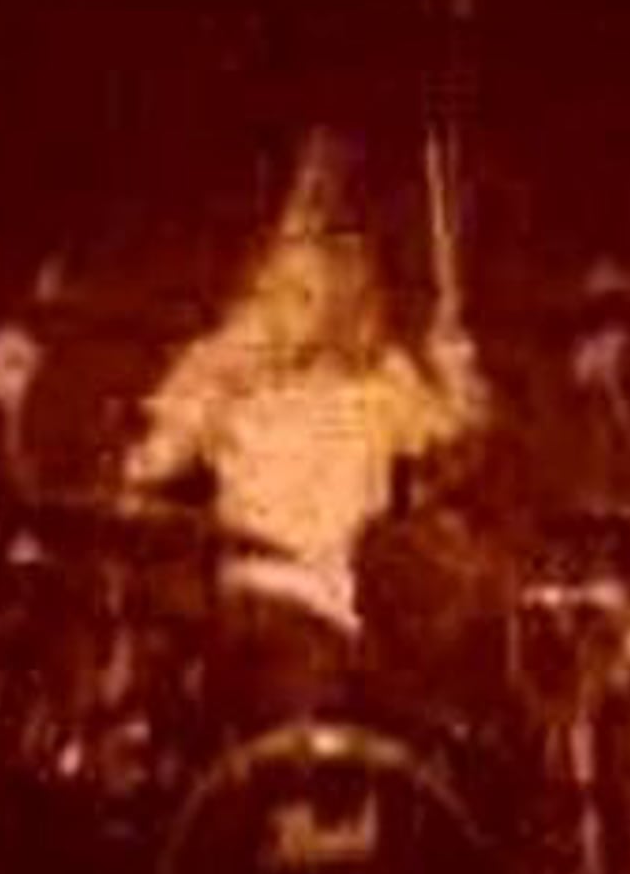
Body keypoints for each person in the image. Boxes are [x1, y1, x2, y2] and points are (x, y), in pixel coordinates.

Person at [122, 130, 490, 729]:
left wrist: (457, 368)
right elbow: (144, 470)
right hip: (233, 615)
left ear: (341, 305)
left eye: (300, 296)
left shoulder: (379, 383)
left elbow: (461, 448)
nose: (276, 308)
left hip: (322, 625)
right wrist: (208, 380)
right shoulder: (230, 374)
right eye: (268, 290)